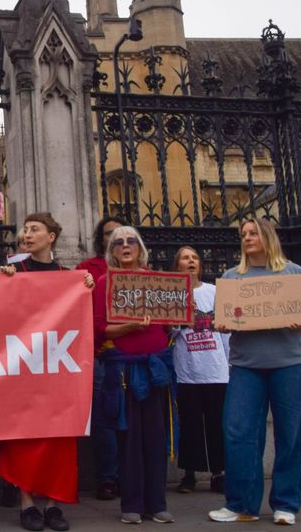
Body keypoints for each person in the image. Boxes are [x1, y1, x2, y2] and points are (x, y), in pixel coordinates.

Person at [208, 217, 301, 526]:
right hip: (246, 366)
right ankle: (241, 503)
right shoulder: (231, 277)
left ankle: (286, 504)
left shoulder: (295, 273)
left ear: (267, 236)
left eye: (253, 232)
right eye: (243, 234)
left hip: (291, 363)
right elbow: (223, 317)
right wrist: (221, 323)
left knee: (290, 434)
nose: (247, 237)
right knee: (238, 432)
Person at [0, 213, 94, 532]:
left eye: (35, 229)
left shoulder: (68, 276)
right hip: (24, 369)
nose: (27, 234)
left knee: (59, 438)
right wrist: (4, 282)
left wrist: (85, 288)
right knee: (24, 436)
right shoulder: (16, 270)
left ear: (50, 237)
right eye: (25, 229)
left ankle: (53, 505)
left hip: (57, 369)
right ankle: (27, 504)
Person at [92, 225, 175, 525]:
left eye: (131, 241)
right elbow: (100, 329)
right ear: (111, 251)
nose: (125, 246)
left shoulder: (157, 280)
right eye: (118, 243)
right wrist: (130, 326)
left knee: (155, 436)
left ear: (140, 247)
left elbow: (169, 322)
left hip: (155, 369)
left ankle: (157, 503)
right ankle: (132, 504)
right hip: (124, 370)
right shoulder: (104, 283)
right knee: (128, 438)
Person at [169, 246, 228, 496]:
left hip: (216, 369)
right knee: (190, 423)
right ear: (177, 265)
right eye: (185, 257)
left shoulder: (215, 292)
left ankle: (219, 472)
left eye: (194, 258)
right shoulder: (172, 294)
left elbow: (226, 332)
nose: (191, 261)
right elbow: (169, 333)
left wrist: (230, 366)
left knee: (217, 423)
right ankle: (189, 473)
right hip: (187, 371)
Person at [77, 216, 127, 501]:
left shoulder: (142, 272)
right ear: (101, 239)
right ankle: (108, 477)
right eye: (111, 234)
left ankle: (131, 473)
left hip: (135, 354)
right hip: (99, 353)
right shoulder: (88, 268)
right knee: (104, 417)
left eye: (123, 235)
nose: (117, 240)